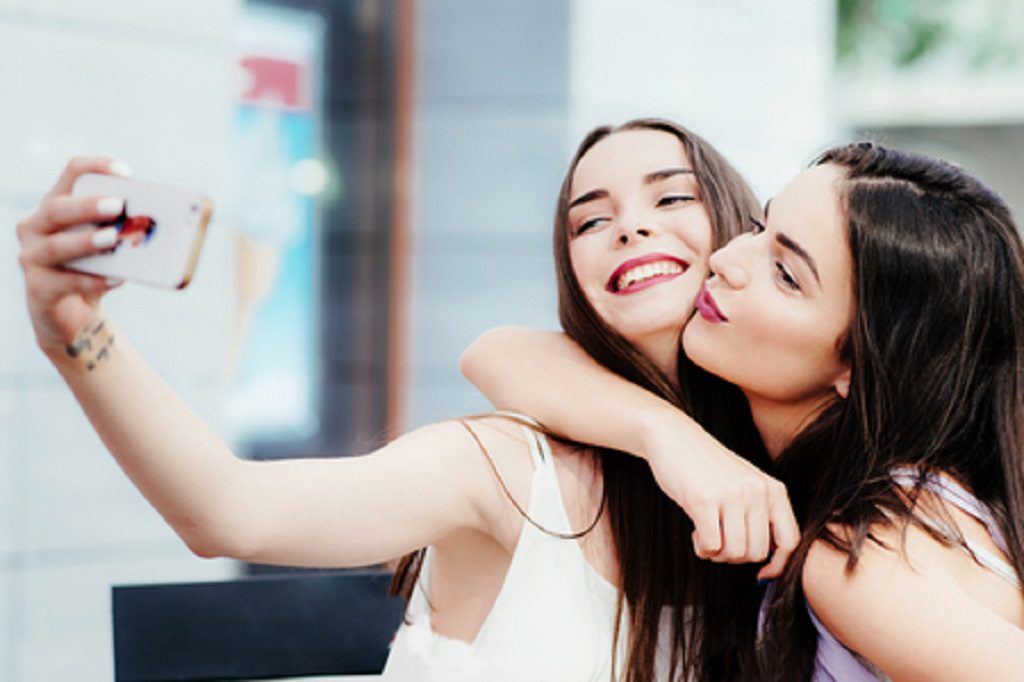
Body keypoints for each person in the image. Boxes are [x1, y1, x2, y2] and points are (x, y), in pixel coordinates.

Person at [15, 119, 797, 681]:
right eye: (590, 219)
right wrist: (78, 337)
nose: (628, 229)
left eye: (671, 199)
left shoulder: (791, 478)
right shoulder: (505, 469)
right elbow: (228, 510)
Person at [462, 142, 1024, 679]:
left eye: (785, 274)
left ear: (861, 363)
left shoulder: (862, 555)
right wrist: (669, 439)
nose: (727, 259)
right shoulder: (905, 498)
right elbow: (497, 353)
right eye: (759, 228)